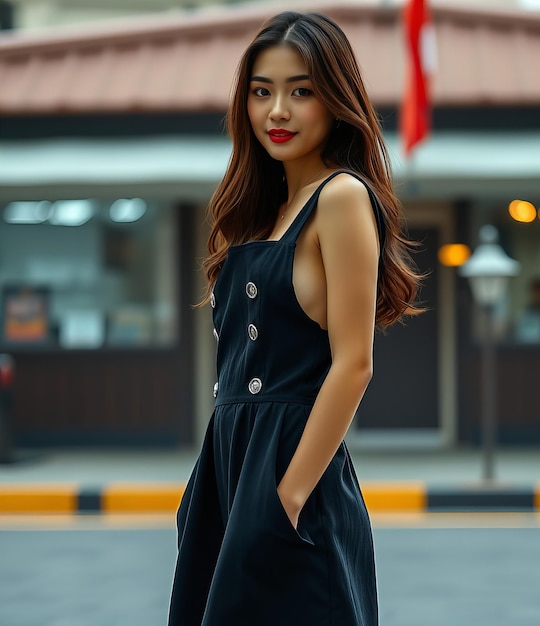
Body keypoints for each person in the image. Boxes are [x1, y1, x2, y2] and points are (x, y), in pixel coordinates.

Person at [168, 11, 421, 626]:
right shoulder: (257, 213)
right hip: (228, 465)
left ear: (336, 100)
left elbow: (353, 363)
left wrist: (289, 495)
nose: (277, 110)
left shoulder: (341, 197)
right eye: (262, 91)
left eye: (300, 90)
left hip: (289, 470)